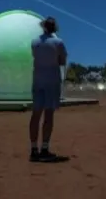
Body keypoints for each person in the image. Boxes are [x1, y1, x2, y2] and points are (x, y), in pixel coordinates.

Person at [29, 16, 67, 162]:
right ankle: (44, 148)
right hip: (52, 81)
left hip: (38, 80)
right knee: (48, 115)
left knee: (36, 115)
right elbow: (62, 61)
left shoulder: (34, 42)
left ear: (43, 26)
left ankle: (33, 149)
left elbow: (35, 57)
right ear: (54, 28)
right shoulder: (58, 42)